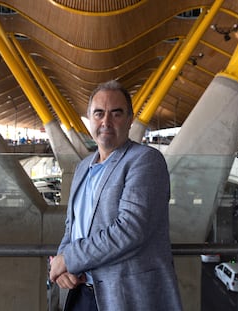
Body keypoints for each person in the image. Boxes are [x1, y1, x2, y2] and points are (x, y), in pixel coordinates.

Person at [49, 80, 182, 311]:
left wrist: (69, 259)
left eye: (116, 114)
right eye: (99, 114)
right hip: (80, 292)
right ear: (89, 119)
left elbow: (129, 230)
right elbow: (71, 227)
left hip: (125, 297)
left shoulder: (145, 161)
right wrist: (62, 264)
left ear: (130, 119)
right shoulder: (82, 168)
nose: (106, 122)